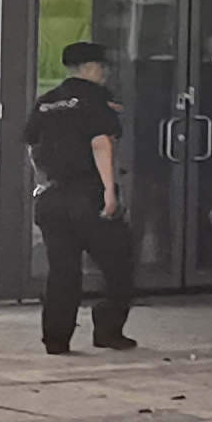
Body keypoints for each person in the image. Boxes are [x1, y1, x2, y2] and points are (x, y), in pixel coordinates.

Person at [25, 39, 139, 354]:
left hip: (52, 198)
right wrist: (109, 192)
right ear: (90, 67)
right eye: (102, 67)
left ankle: (56, 339)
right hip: (87, 195)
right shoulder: (96, 100)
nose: (105, 73)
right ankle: (108, 331)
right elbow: (101, 144)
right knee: (119, 265)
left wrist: (43, 182)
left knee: (62, 271)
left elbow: (32, 147)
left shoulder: (46, 101)